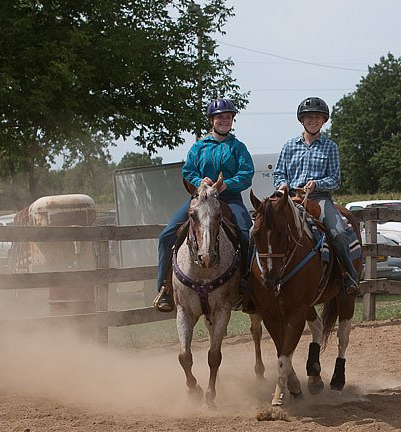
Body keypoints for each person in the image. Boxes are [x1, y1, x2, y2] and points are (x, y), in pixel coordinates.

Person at [153, 98, 254, 312]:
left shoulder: (238, 148)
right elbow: (188, 170)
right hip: (200, 199)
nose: (224, 120)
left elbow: (246, 174)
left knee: (247, 234)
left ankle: (247, 286)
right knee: (166, 236)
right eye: (220, 117)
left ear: (232, 120)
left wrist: (225, 184)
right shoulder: (199, 147)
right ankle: (164, 288)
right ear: (212, 120)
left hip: (229, 199)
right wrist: (201, 181)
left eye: (228, 117)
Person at [273, 96, 359, 295]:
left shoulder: (331, 147)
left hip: (319, 199)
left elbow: (335, 179)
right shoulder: (289, 146)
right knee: (262, 227)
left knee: (337, 232)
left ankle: (349, 275)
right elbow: (279, 173)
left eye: (318, 118)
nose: (313, 121)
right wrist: (282, 185)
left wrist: (317, 184)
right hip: (291, 198)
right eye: (309, 117)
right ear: (302, 120)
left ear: (324, 121)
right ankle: (258, 280)